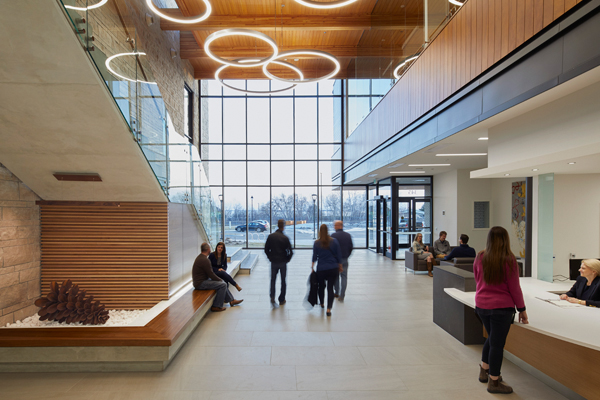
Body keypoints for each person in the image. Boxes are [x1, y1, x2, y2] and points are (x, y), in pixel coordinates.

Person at [474, 226, 528, 394]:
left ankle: (485, 371)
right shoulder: (508, 259)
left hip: (481, 305)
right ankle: (494, 381)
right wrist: (522, 309)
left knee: (491, 339)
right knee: (497, 344)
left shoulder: (480, 256)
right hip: (501, 308)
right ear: (506, 239)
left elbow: (477, 279)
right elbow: (515, 288)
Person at [192, 242, 243, 312]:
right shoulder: (205, 260)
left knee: (223, 282)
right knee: (223, 284)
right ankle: (216, 306)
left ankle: (231, 300)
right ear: (208, 249)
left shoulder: (201, 257)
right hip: (200, 283)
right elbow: (211, 274)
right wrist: (219, 280)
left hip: (202, 280)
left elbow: (211, 273)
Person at [311, 224, 342, 317]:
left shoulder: (316, 243)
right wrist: (340, 265)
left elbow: (314, 256)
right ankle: (329, 309)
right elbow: (339, 255)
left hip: (321, 268)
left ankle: (322, 303)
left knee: (321, 286)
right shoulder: (334, 241)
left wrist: (312, 266)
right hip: (333, 268)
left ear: (319, 231)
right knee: (330, 288)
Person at [264, 219, 293, 305]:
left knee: (273, 280)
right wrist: (287, 259)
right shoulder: (285, 238)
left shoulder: (271, 236)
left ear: (277, 225)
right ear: (283, 226)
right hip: (283, 261)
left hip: (274, 261)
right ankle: (282, 298)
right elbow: (291, 252)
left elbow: (266, 249)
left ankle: (272, 296)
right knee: (283, 281)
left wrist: (270, 257)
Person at [332, 220, 353, 301]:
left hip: (336, 260)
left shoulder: (333, 235)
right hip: (345, 259)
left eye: (335, 225)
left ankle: (336, 292)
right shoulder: (348, 235)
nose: (334, 227)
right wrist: (347, 255)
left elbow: (331, 247)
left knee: (336, 276)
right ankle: (342, 295)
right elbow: (351, 247)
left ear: (339, 226)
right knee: (344, 277)